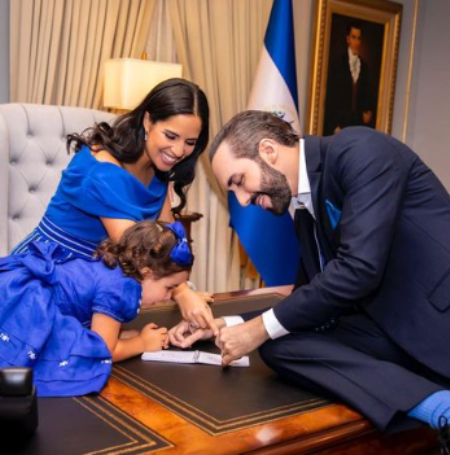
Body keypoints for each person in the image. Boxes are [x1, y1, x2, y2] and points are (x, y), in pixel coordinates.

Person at [174, 110, 450, 452]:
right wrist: (223, 325)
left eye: (239, 181)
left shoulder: (360, 149)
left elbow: (358, 269)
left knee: (269, 334)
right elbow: (307, 298)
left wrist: (258, 328)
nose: (243, 201)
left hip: (439, 323)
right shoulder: (304, 211)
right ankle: (439, 406)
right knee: (278, 345)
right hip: (389, 325)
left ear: (268, 150)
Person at [10, 78, 217, 334]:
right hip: (51, 280)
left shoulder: (158, 168)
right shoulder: (101, 172)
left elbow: (169, 238)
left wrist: (180, 288)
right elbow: (137, 249)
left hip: (105, 282)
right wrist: (182, 292)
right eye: (171, 136)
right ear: (148, 121)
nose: (178, 150)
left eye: (190, 142)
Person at [0, 220, 193, 397]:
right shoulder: (122, 289)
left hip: (18, 286)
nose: (169, 297)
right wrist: (142, 343)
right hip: (29, 305)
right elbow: (105, 350)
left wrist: (121, 336)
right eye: (169, 287)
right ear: (147, 272)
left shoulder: (116, 268)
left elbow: (96, 323)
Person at [324, 21, 374, 135]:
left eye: (359, 38)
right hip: (340, 127)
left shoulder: (364, 67)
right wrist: (335, 126)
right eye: (353, 37)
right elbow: (331, 98)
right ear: (348, 39)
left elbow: (367, 97)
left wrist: (367, 114)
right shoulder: (337, 64)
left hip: (358, 127)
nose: (356, 42)